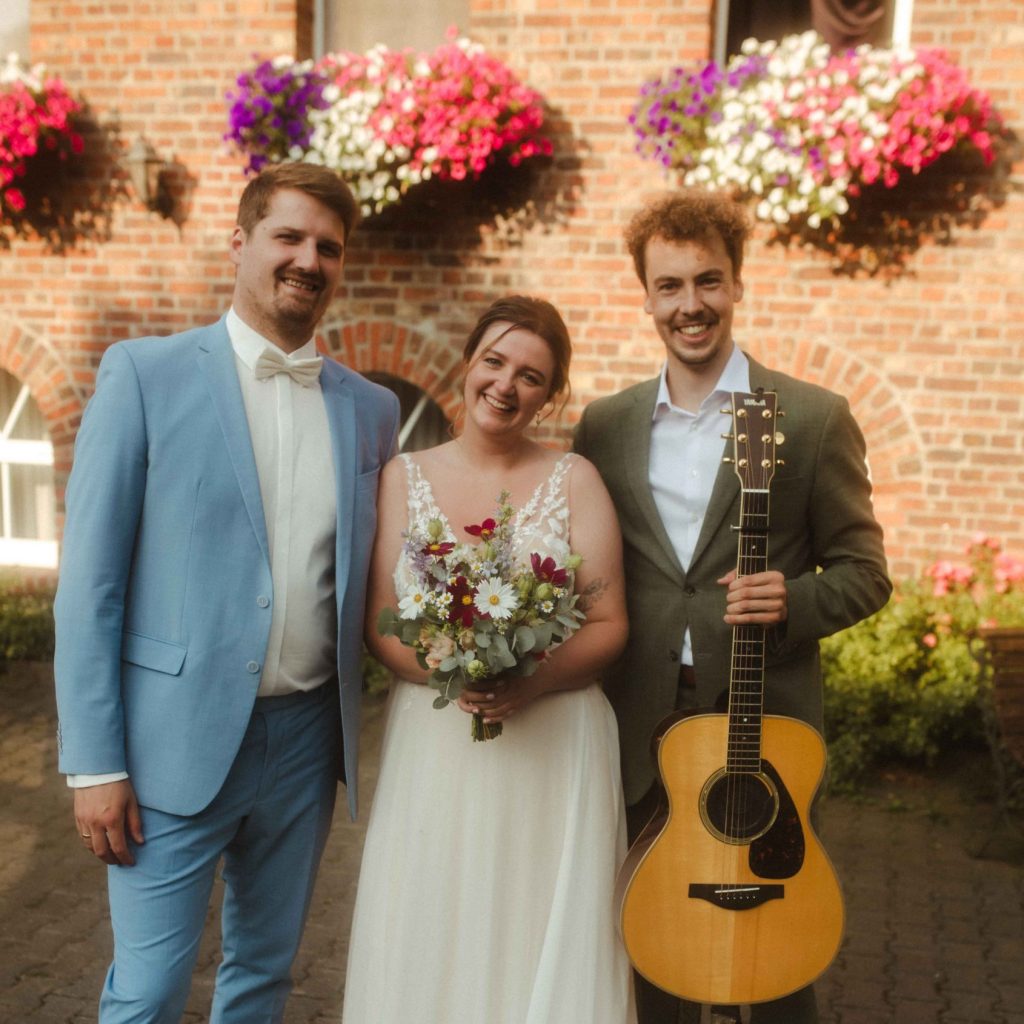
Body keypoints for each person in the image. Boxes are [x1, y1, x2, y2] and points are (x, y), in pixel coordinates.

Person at [53, 161, 400, 1022]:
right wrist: (94, 763)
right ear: (239, 241)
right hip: (167, 740)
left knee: (263, 976)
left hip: (308, 740)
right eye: (288, 237)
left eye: (328, 246)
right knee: (149, 988)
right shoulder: (144, 375)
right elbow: (89, 586)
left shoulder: (372, 411)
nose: (308, 260)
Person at [573, 190, 892, 1024]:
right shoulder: (604, 427)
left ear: (738, 284)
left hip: (764, 730)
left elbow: (866, 572)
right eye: (669, 286)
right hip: (639, 720)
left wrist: (794, 597)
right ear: (644, 296)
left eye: (707, 281)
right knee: (654, 943)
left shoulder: (814, 419)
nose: (690, 305)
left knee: (776, 949)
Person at [342, 296, 636, 1023]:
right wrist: (462, 672)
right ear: (468, 363)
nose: (506, 386)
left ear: (551, 394)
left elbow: (608, 623)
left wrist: (528, 679)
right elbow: (382, 627)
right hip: (437, 742)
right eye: (495, 362)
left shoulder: (576, 480)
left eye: (531, 377)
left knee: (537, 918)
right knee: (437, 914)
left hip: (555, 743)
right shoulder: (401, 477)